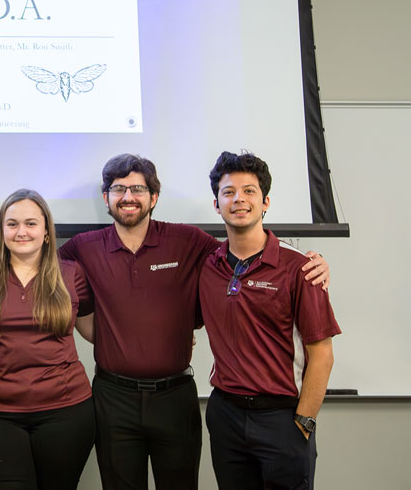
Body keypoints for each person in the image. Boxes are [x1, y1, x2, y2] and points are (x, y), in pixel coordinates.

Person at [58, 154, 330, 490]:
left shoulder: (188, 242)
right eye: (119, 189)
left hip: (176, 397)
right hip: (113, 398)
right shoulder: (82, 248)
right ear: (106, 198)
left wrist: (313, 260)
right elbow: (34, 267)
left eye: (138, 189)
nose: (128, 197)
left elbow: (244, 253)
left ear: (154, 197)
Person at [199, 151, 339, 490]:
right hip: (225, 414)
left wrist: (304, 422)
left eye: (249, 191)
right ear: (217, 205)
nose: (239, 199)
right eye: (228, 192)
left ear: (265, 202)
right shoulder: (207, 266)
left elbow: (322, 353)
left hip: (282, 418)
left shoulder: (300, 268)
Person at [0, 189, 96, 490]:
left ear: (46, 231)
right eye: (12, 224)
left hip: (67, 413)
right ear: (2, 231)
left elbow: (96, 332)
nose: (22, 232)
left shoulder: (71, 275)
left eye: (31, 223)